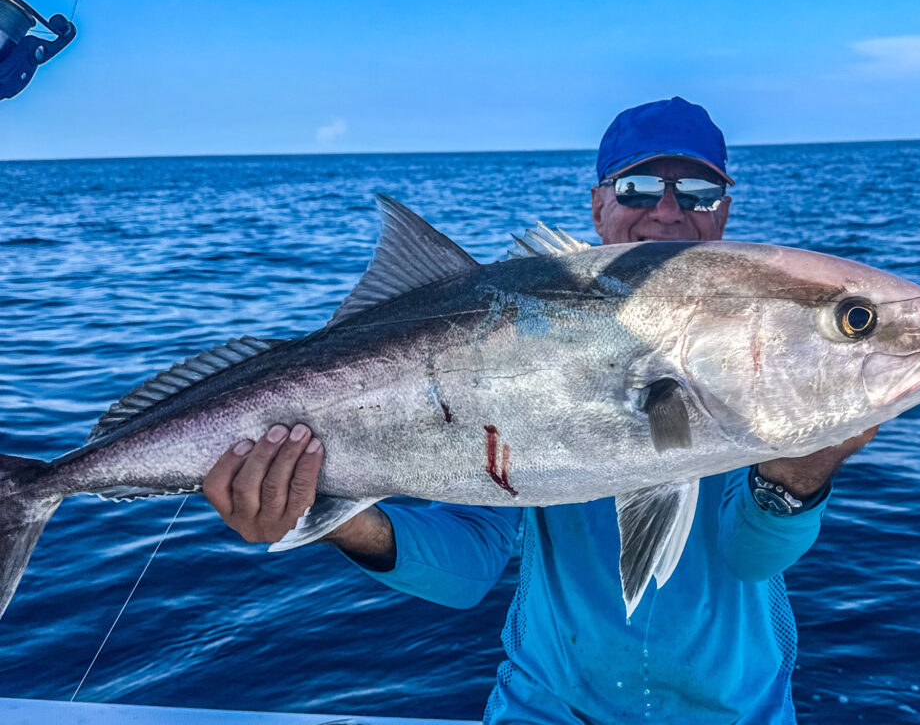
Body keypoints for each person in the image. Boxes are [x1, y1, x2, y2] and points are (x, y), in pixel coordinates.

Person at [203, 97, 877, 724]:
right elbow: (467, 567)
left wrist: (802, 469)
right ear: (597, 208)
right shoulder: (515, 338)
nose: (668, 213)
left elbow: (749, 557)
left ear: (724, 213)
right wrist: (333, 518)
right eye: (638, 188)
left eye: (697, 192)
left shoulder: (757, 350)